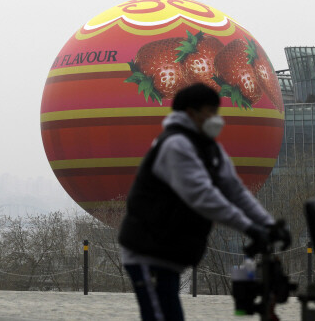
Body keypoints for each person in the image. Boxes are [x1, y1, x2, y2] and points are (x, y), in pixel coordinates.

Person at [118, 84, 275, 321]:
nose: (216, 118)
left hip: (168, 252)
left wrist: (268, 224)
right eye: (210, 111)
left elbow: (235, 191)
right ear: (191, 113)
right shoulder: (175, 145)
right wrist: (249, 227)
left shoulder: (211, 149)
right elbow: (203, 196)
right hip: (147, 251)